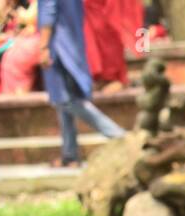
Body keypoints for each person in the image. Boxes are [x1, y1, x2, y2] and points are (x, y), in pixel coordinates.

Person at [39, 0, 125, 167]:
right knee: (63, 101)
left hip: (58, 46)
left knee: (67, 100)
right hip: (72, 41)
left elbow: (49, 10)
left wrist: (43, 46)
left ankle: (118, 135)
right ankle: (70, 154)